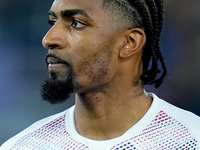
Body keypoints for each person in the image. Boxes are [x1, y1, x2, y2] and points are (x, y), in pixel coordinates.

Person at [1, 0, 200, 149]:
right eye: (53, 22)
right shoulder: (22, 146)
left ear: (129, 42)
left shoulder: (192, 139)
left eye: (76, 23)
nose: (49, 39)